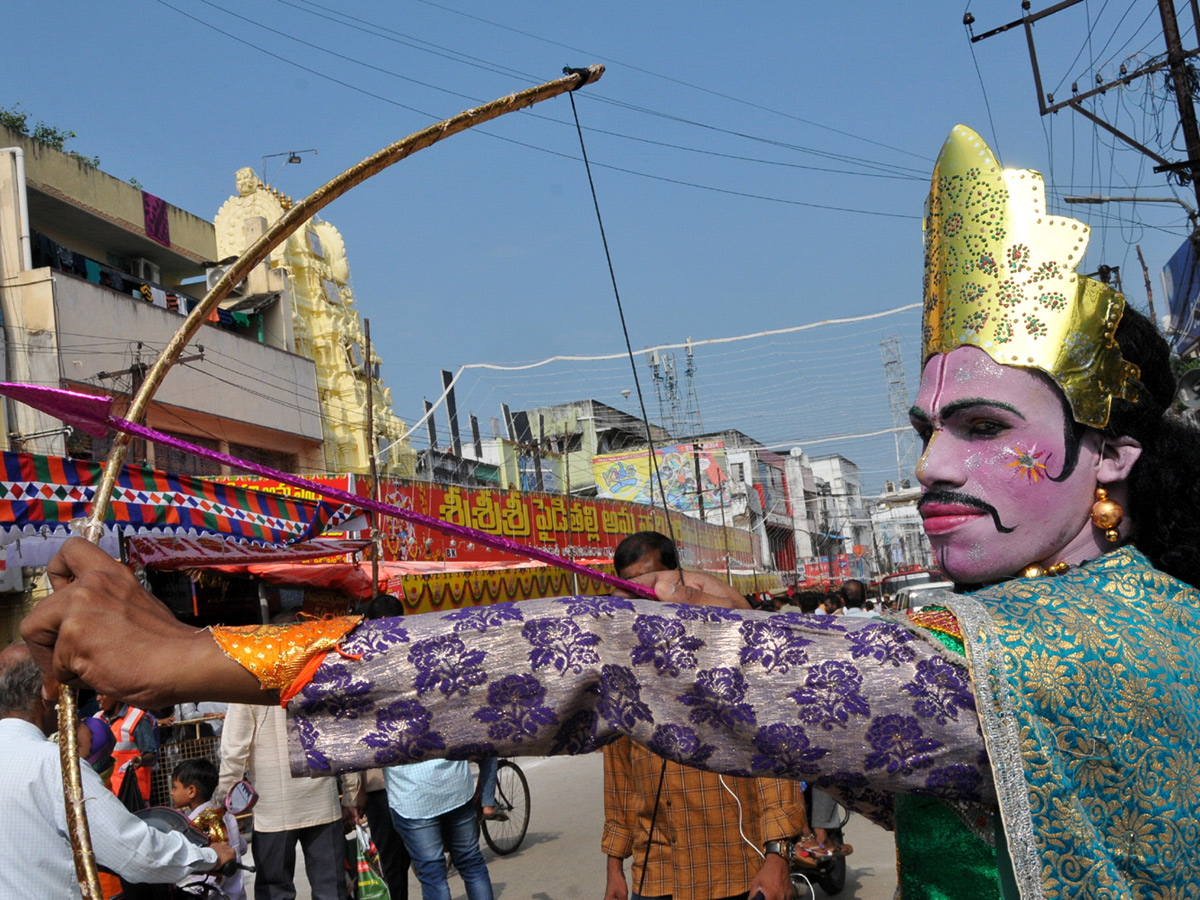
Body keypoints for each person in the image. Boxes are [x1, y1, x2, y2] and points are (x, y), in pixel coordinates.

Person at [24, 124, 1200, 898]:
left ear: (1113, 455)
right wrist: (739, 626)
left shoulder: (1045, 658)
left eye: (986, 428)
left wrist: (192, 651)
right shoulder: (1128, 624)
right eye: (928, 428)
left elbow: (609, 657)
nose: (938, 463)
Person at [602, 531, 809, 900]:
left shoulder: (724, 653)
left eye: (652, 584)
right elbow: (619, 775)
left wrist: (778, 855)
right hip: (656, 874)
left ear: (677, 580)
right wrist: (614, 867)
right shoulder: (624, 669)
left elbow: (771, 756)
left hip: (735, 869)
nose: (645, 599)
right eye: (632, 590)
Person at [0, 642, 234, 899]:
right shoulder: (55, 766)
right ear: (48, 694)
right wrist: (208, 857)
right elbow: (133, 851)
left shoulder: (130, 720)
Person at [217, 662, 362, 900]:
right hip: (321, 801)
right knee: (331, 889)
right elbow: (341, 739)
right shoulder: (319, 673)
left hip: (274, 808)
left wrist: (226, 799)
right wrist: (350, 794)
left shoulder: (251, 680)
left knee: (275, 891)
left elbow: (234, 750)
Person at [354, 593, 411, 900]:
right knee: (420, 855)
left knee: (393, 859)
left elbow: (357, 730)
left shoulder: (361, 664)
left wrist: (356, 789)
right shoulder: (414, 653)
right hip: (407, 775)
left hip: (381, 781)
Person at [385, 758, 494, 900]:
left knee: (433, 875)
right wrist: (488, 800)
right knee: (471, 863)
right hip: (455, 787)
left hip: (413, 797)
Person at [172, 758, 247, 900]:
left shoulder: (201, 823)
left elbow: (214, 872)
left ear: (191, 791)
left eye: (175, 787)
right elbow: (241, 847)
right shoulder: (224, 815)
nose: (171, 792)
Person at [96, 690, 158, 803]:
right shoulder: (97, 720)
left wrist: (140, 760)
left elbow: (152, 755)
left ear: (115, 694)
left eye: (101, 694)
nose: (97, 699)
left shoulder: (137, 718)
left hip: (133, 797)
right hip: (106, 795)